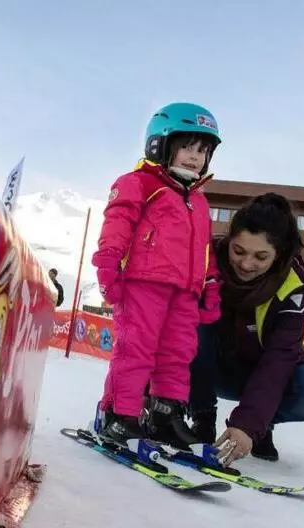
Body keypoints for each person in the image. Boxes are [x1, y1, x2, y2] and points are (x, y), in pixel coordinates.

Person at [92, 102, 223, 448]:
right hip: (143, 283)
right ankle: (120, 415)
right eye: (187, 147)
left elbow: (205, 250)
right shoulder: (140, 183)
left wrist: (210, 285)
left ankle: (166, 415)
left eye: (203, 150)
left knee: (179, 353)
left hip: (185, 291)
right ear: (160, 144)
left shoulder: (200, 201)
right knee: (136, 349)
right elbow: (118, 222)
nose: (195, 157)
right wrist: (108, 261)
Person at [188, 193, 304, 467]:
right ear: (229, 240)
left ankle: (263, 423)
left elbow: (279, 361)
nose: (246, 264)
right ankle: (201, 417)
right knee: (193, 322)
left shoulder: (292, 288)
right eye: (238, 251)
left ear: (279, 254)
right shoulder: (205, 261)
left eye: (260, 256)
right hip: (209, 367)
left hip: (260, 373)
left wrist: (248, 424)